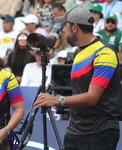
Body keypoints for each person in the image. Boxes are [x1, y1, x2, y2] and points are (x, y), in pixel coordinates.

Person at [34, 6, 121, 150]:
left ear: (75, 27)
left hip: (100, 131)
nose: (63, 30)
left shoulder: (104, 52)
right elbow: (78, 90)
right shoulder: (78, 51)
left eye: (65, 25)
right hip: (75, 130)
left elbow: (93, 97)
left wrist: (56, 100)